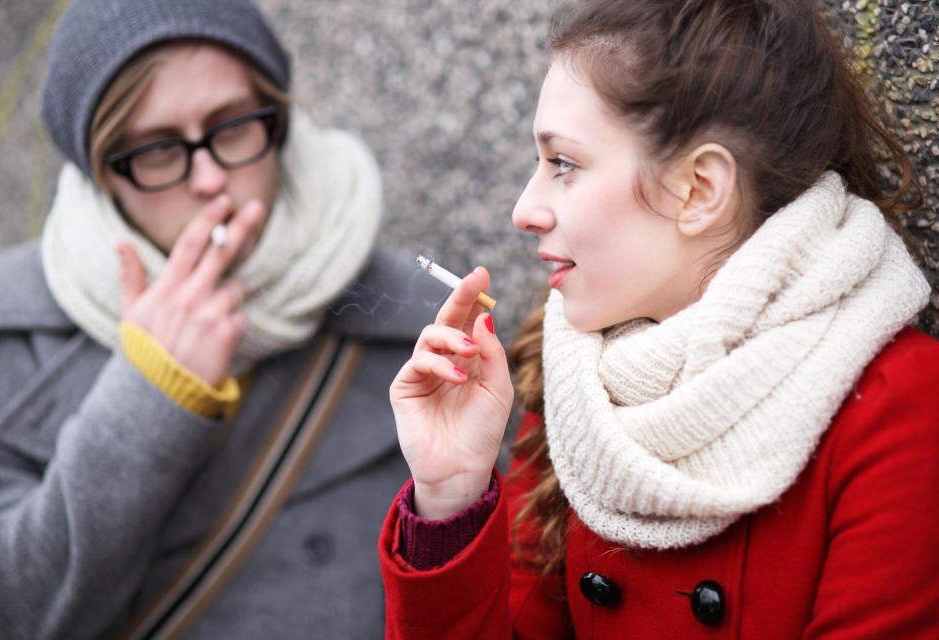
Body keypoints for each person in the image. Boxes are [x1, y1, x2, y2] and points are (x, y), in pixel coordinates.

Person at [380, 0, 939, 637]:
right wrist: (451, 491)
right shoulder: (575, 370)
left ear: (699, 190)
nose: (524, 210)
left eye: (562, 163)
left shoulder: (898, 409)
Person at [0, 0, 439, 637]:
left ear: (276, 120)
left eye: (232, 128)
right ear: (100, 175)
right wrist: (148, 399)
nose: (208, 178)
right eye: (158, 149)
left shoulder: (419, 325)